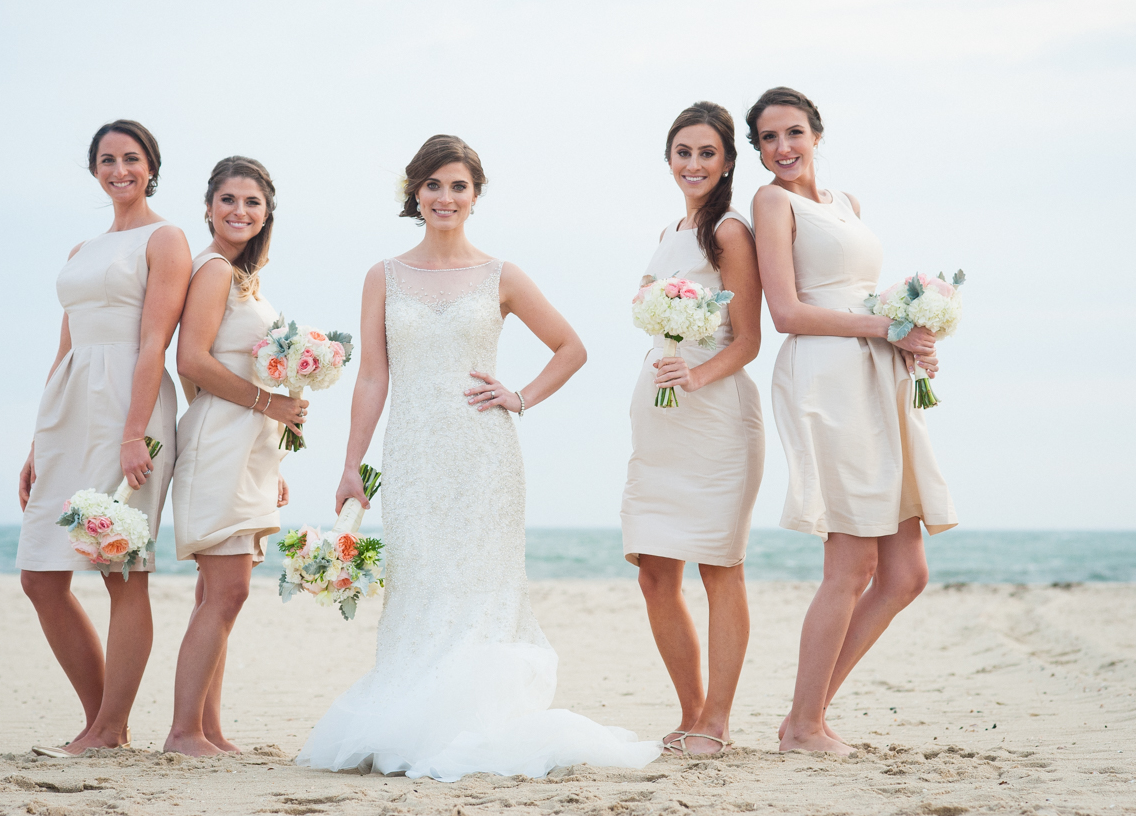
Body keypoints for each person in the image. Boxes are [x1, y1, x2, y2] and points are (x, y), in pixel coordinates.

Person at [296, 134, 661, 780]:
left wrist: (519, 396)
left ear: (475, 195)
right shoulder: (383, 276)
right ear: (415, 192)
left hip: (485, 455)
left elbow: (571, 348)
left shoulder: (503, 275)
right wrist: (351, 465)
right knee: (421, 582)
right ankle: (414, 716)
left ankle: (479, 723)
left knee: (482, 588)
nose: (445, 196)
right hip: (411, 453)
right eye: (433, 184)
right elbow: (373, 378)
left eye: (458, 185)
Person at [747, 87, 956, 755]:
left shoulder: (847, 204)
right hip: (825, 375)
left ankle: (802, 717)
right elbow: (785, 311)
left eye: (794, 132)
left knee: (905, 573)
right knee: (853, 559)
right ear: (757, 149)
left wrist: (915, 342)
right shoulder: (771, 202)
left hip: (876, 370)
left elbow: (868, 294)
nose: (783, 147)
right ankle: (805, 728)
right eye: (769, 138)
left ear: (816, 134)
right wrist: (887, 326)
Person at [18, 119, 190, 756]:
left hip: (131, 404)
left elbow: (155, 341)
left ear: (152, 167)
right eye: (108, 160)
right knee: (41, 576)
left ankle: (109, 729)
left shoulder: (166, 239)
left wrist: (133, 435)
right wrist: (39, 442)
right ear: (94, 169)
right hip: (70, 405)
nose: (120, 170)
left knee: (122, 569)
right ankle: (100, 726)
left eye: (132, 159)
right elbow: (65, 344)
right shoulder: (80, 250)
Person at [621, 102, 764, 757]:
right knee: (655, 570)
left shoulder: (732, 232)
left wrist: (698, 378)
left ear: (728, 160)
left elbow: (749, 340)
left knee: (718, 567)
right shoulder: (668, 230)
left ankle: (718, 720)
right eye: (683, 152)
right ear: (669, 159)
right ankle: (688, 713)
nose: (694, 164)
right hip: (658, 419)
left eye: (707, 153)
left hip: (713, 417)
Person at [164, 157, 307, 755]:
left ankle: (209, 730)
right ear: (208, 207)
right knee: (228, 592)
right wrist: (266, 405)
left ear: (267, 212)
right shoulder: (215, 269)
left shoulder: (241, 277)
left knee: (215, 594)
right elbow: (190, 361)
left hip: (245, 446)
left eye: (251, 202)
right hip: (221, 442)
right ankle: (182, 733)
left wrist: (269, 452)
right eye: (227, 200)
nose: (239, 211)